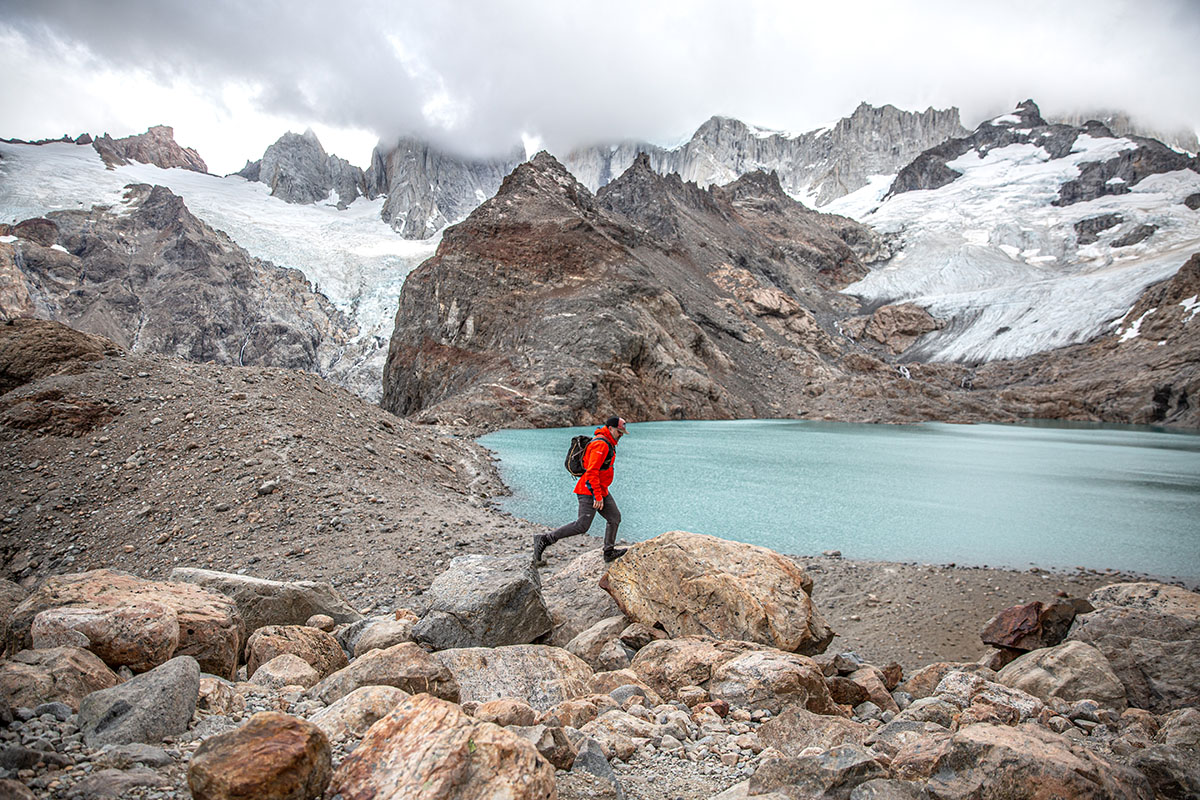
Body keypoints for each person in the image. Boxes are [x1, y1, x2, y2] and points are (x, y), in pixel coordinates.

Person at [532, 416, 629, 565]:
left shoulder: (609, 442)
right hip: (589, 490)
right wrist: (597, 495)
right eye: (619, 431)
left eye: (622, 432)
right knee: (582, 525)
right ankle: (545, 539)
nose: (621, 435)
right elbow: (591, 472)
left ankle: (609, 551)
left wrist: (600, 493)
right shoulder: (601, 445)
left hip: (601, 490)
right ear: (610, 429)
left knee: (614, 517)